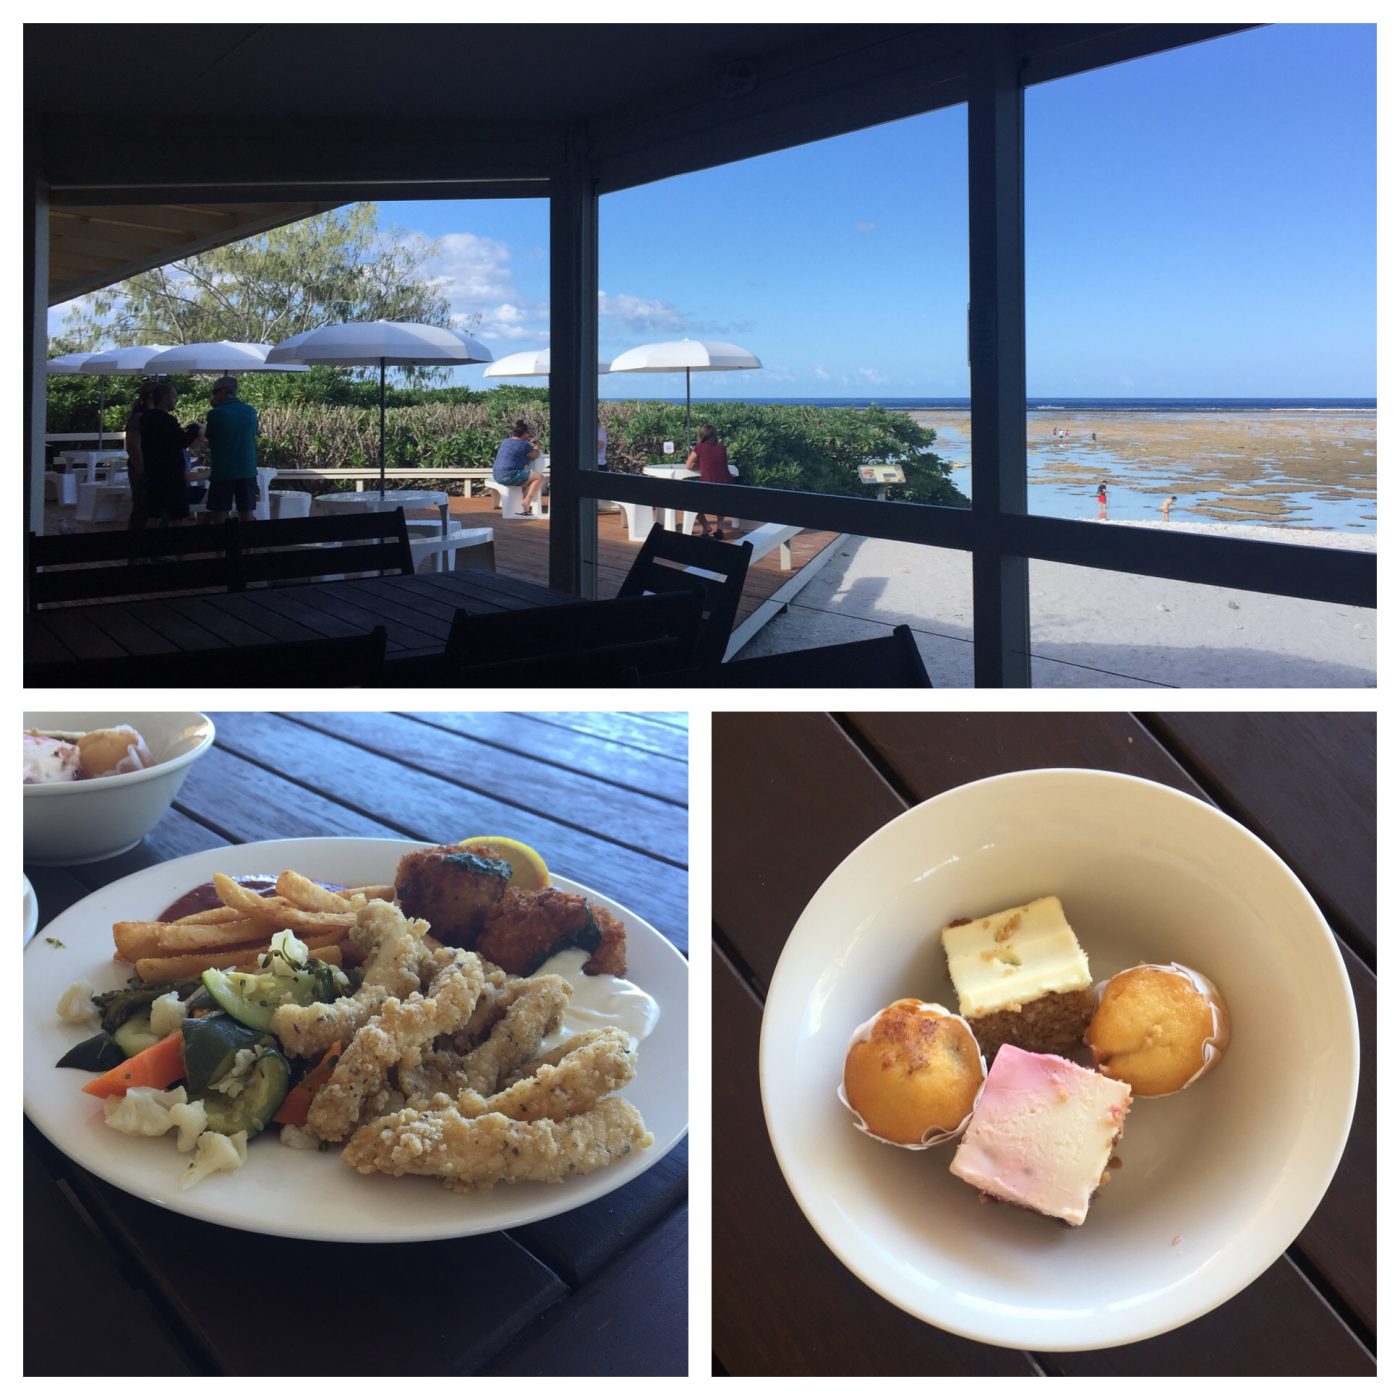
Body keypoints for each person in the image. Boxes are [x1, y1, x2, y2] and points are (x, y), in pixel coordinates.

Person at [203, 374, 261, 523]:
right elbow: (253, 434)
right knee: (246, 512)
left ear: (223, 391)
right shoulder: (250, 411)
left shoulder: (215, 414)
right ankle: (247, 546)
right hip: (247, 469)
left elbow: (210, 440)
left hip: (223, 470)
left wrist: (215, 408)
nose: (213, 395)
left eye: (214, 391)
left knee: (220, 513)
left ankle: (223, 545)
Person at [139, 384, 199, 527]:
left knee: (154, 514)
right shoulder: (166, 420)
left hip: (152, 472)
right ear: (165, 398)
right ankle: (178, 545)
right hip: (171, 475)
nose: (176, 401)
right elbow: (181, 441)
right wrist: (194, 429)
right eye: (174, 397)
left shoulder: (145, 418)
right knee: (178, 515)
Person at [685, 422, 730, 538]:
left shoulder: (700, 447)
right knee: (722, 503)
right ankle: (719, 528)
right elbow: (716, 462)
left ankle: (706, 526)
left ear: (702, 435)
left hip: (708, 485)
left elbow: (688, 465)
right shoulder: (722, 448)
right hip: (726, 485)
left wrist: (698, 464)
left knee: (690, 501)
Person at [122, 380, 156, 530]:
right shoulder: (140, 417)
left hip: (148, 467)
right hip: (142, 469)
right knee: (142, 509)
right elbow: (133, 446)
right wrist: (141, 469)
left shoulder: (147, 415)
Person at [491, 419, 544, 514]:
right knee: (539, 478)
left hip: (497, 474)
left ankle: (523, 502)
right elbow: (535, 455)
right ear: (524, 434)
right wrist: (536, 446)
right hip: (509, 475)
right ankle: (526, 501)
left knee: (528, 479)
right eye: (528, 434)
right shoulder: (523, 445)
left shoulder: (505, 441)